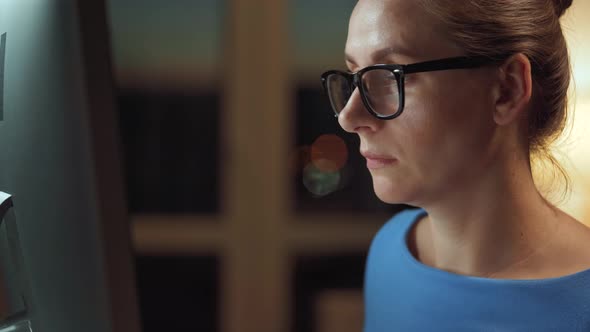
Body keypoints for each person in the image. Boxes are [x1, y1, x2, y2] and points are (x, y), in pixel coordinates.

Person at [321, 0, 590, 330]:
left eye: (391, 76)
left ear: (507, 90)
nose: (349, 118)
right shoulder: (390, 251)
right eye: (355, 76)